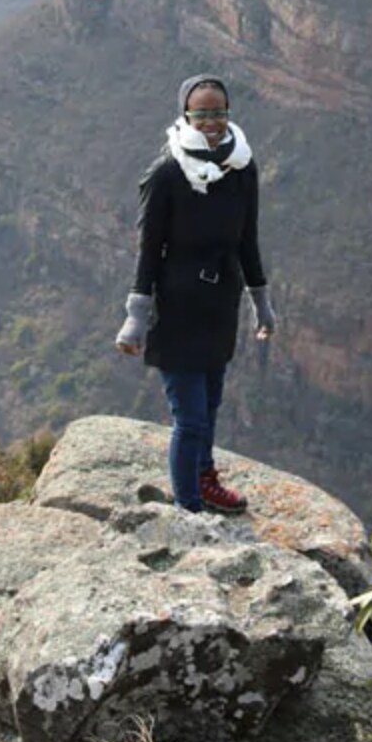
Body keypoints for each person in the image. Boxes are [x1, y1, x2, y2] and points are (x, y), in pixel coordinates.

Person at [114, 73, 277, 514]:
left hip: (220, 305)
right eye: (201, 113)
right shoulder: (167, 172)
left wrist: (261, 303)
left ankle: (204, 480)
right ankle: (189, 508)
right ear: (186, 114)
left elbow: (248, 241)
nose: (210, 122)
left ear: (229, 114)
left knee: (211, 403)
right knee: (189, 418)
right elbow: (148, 250)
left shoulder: (242, 168)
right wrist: (135, 315)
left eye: (218, 113)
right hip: (178, 305)